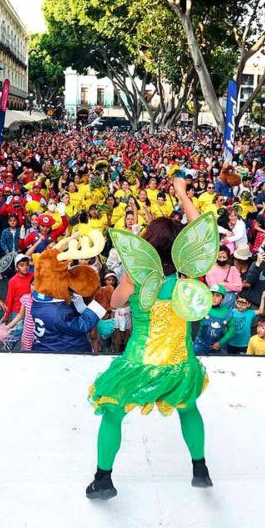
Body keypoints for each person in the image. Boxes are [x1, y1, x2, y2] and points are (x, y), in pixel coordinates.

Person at [86, 177, 213, 500]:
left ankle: (103, 479)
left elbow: (114, 304)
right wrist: (183, 193)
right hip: (180, 363)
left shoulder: (136, 277)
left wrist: (123, 284)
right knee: (189, 409)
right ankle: (200, 470)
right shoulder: (188, 274)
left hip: (139, 364)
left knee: (112, 412)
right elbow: (200, 230)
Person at [193, 284, 235, 356]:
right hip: (199, 346)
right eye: (211, 295)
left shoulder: (227, 312)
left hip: (217, 348)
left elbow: (232, 330)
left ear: (223, 298)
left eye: (217, 295)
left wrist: (220, 342)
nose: (213, 298)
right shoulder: (201, 308)